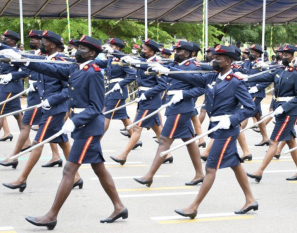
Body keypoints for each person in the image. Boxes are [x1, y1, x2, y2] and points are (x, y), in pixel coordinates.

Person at [2, 35, 127, 229]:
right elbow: (50, 68)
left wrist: (74, 121)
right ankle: (119, 206)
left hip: (89, 128)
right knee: (99, 168)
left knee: (69, 170)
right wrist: (24, 60)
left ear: (92, 53)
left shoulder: (93, 72)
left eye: (81, 48)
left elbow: (96, 106)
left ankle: (51, 215)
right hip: (83, 127)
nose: (76, 51)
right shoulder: (75, 68)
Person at [153, 45, 258, 218]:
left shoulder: (235, 82)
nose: (214, 60)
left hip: (227, 130)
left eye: (219, 58)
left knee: (210, 168)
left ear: (229, 61)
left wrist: (231, 119)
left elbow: (250, 108)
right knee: (234, 163)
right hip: (216, 128)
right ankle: (250, 200)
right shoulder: (212, 78)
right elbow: (189, 78)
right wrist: (166, 71)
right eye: (214, 57)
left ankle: (193, 207)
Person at [1, 30, 81, 192]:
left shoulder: (61, 61)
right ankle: (77, 177)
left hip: (55, 108)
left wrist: (52, 100)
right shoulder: (49, 58)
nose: (40, 43)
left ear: (52, 44)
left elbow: (70, 89)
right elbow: (33, 64)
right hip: (49, 106)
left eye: (43, 41)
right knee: (63, 141)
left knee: (38, 143)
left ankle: (22, 179)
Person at [125, 40, 205, 187]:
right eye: (176, 50)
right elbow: (155, 67)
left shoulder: (194, 67)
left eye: (179, 51)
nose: (176, 52)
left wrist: (184, 94)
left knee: (164, 141)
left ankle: (149, 176)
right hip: (175, 107)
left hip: (181, 108)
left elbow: (201, 88)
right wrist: (134, 63)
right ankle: (199, 174)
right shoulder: (175, 65)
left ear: (188, 53)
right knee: (190, 140)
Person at [246, 45, 297, 183]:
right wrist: (245, 78)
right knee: (291, 141)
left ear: (294, 56)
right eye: (282, 53)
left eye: (287, 54)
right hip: (280, 109)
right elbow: (264, 76)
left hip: (288, 112)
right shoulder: (280, 70)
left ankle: (259, 171)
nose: (283, 56)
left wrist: (284, 107)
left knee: (273, 141)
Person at [109, 38, 168, 165]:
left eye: (144, 49)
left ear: (152, 52)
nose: (142, 50)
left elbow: (162, 85)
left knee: (136, 128)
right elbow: (132, 60)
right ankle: (167, 154)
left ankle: (123, 155)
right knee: (157, 128)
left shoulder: (157, 63)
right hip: (144, 98)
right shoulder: (144, 61)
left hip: (150, 100)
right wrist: (114, 53)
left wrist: (147, 94)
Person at [100, 38, 137, 136]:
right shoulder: (110, 59)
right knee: (123, 116)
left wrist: (120, 84)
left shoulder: (123, 60)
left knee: (105, 115)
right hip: (111, 90)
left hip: (117, 92)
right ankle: (134, 138)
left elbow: (134, 75)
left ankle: (95, 141)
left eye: (111, 46)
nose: (109, 49)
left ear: (117, 48)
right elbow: (97, 63)